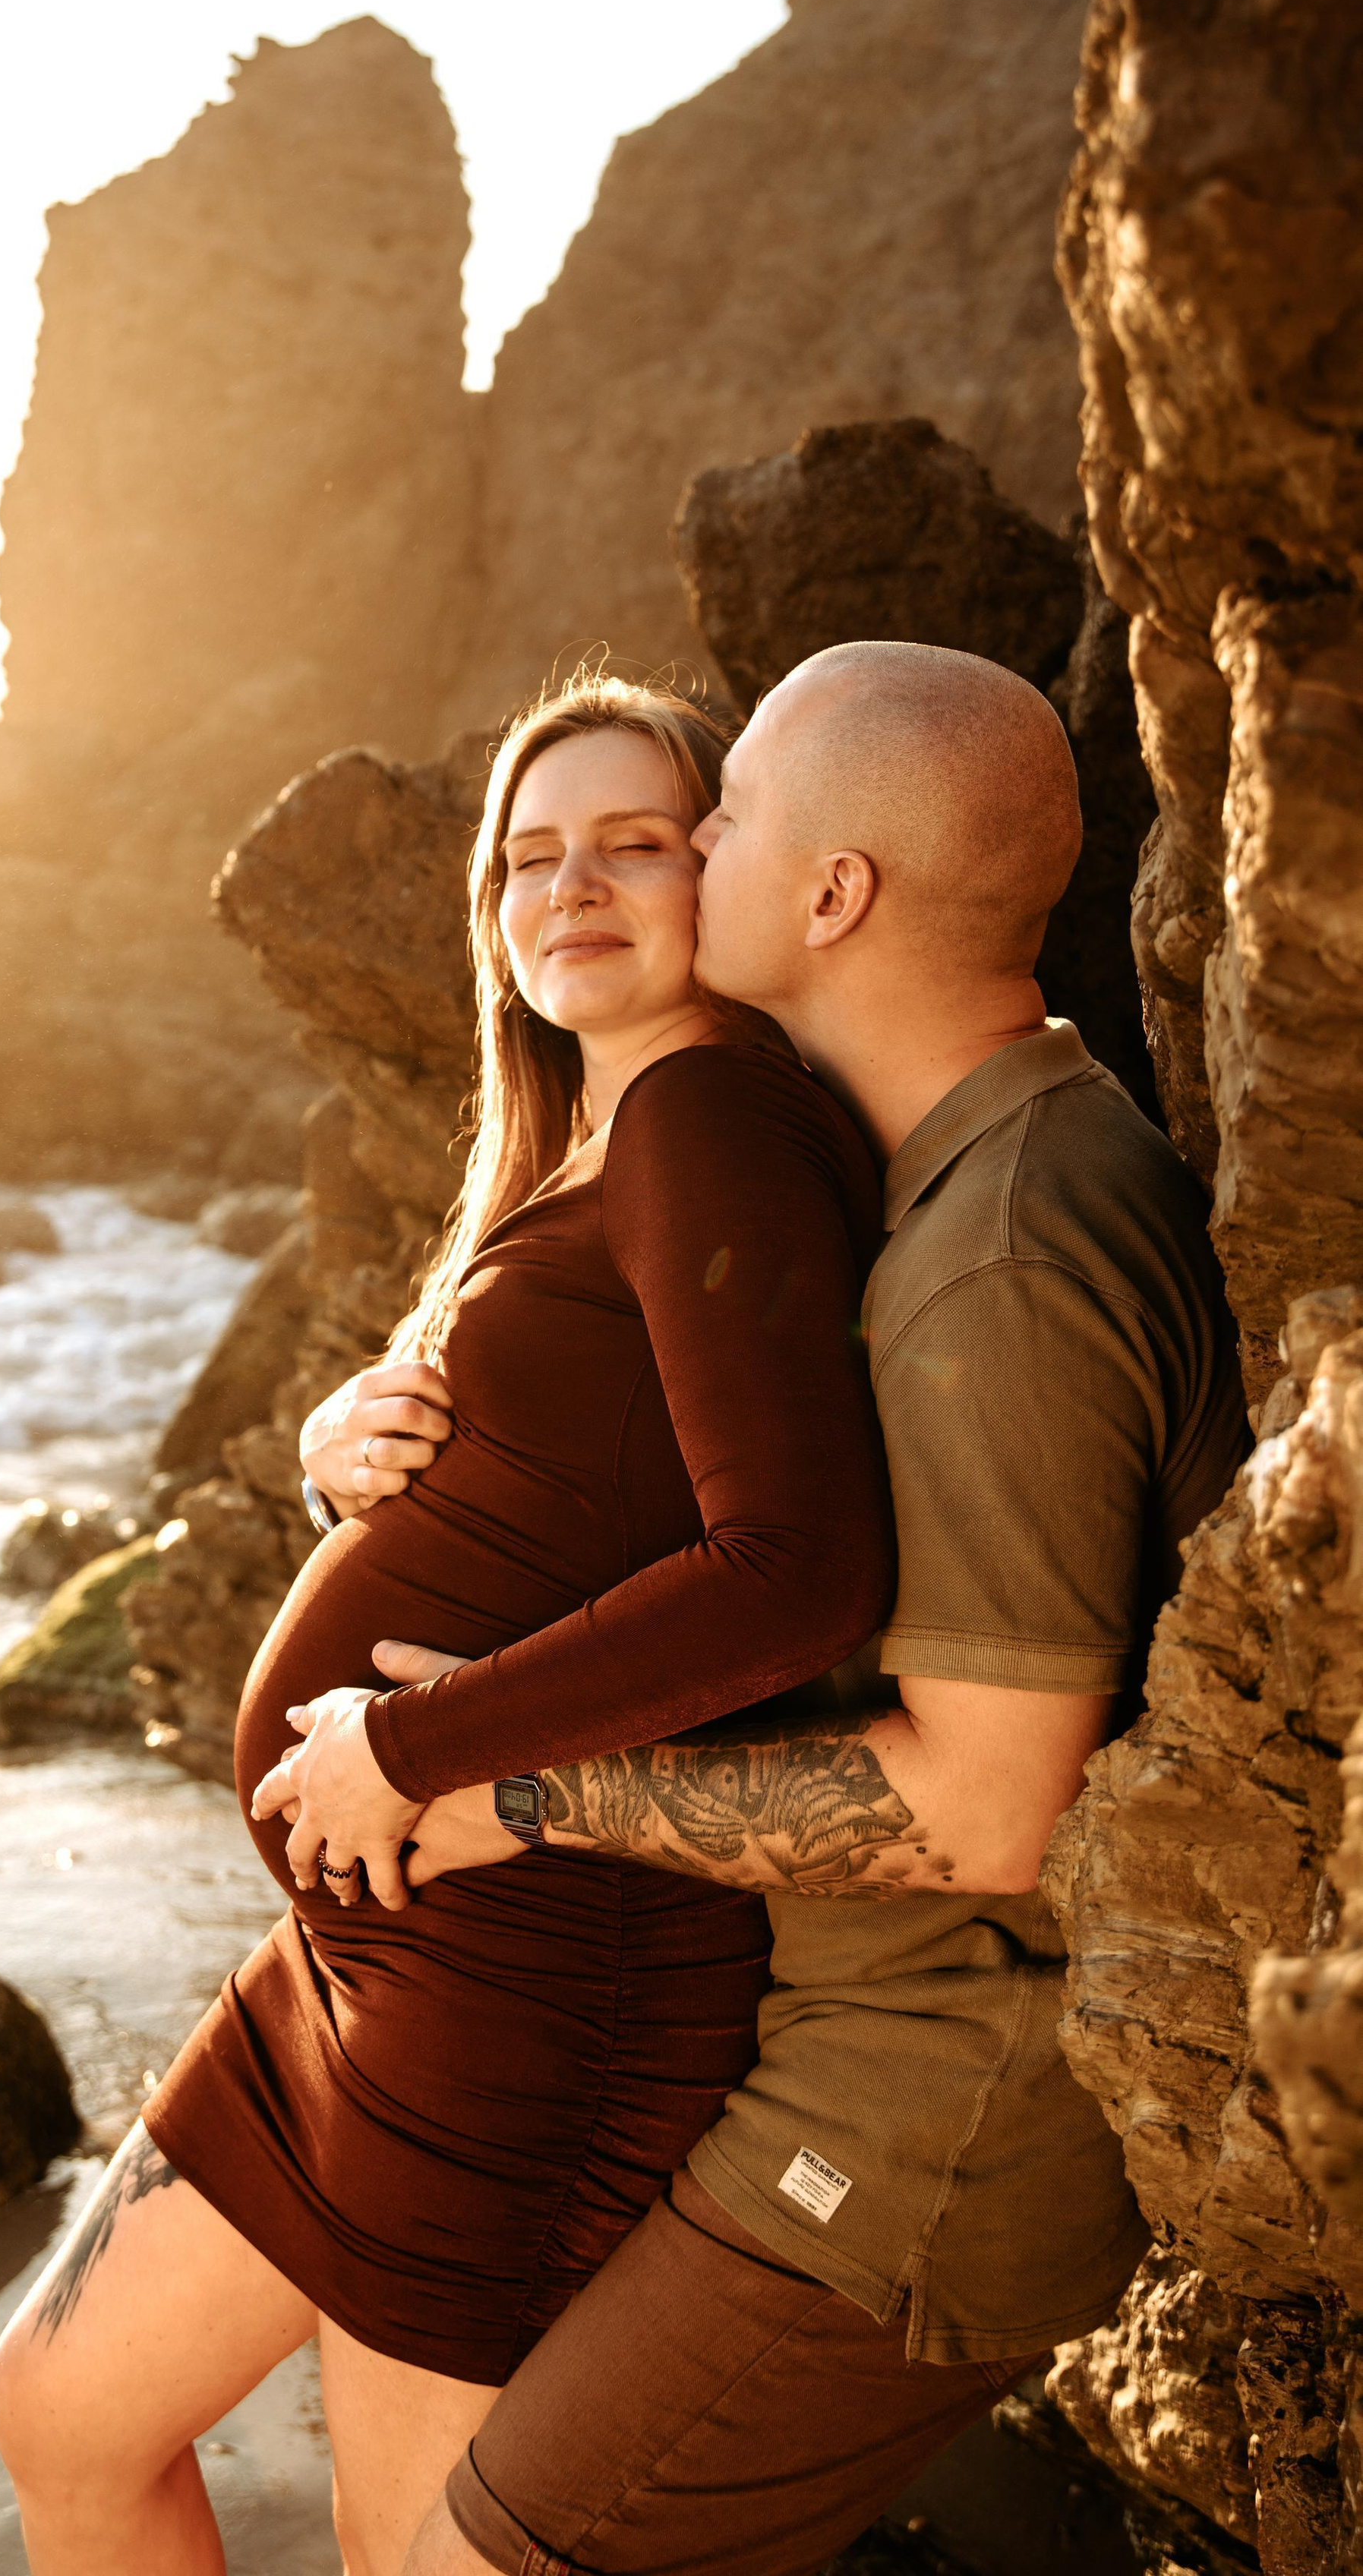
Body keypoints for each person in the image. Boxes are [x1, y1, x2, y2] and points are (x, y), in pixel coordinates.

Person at [268, 639, 1249, 2576]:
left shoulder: (999, 1263)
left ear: (826, 896)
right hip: (819, 2039)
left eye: (712, 824)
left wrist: (497, 1792)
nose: (671, 851)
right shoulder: (936, 1164)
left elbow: (978, 1806)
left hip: (914, 2128)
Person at [0, 673, 895, 2576]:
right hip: (363, 1964)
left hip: (525, 1993)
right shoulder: (591, 1145)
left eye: (632, 843)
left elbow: (797, 1566)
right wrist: (354, 1459)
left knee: (402, 2560)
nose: (571, 885)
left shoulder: (712, 1123)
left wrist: (410, 1739)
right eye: (528, 856)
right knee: (63, 2413)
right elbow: (582, 1481)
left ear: (722, 865)